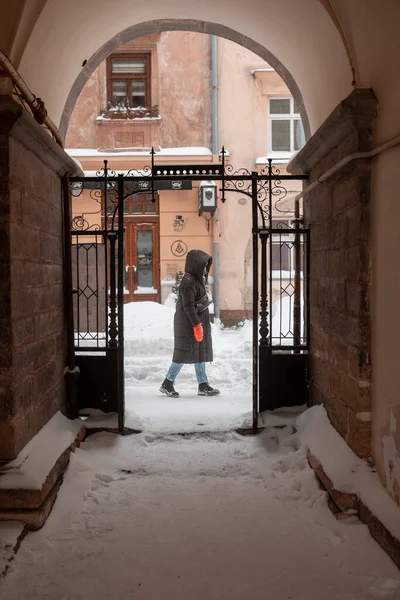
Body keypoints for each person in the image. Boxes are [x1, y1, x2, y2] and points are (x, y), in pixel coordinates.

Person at [160, 249, 220, 398]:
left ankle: (203, 384)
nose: (205, 269)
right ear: (195, 265)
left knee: (199, 351)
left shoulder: (197, 280)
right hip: (187, 324)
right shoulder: (188, 282)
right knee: (183, 353)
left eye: (207, 266)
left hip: (195, 322)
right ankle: (167, 382)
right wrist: (196, 325)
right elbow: (188, 307)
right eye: (203, 265)